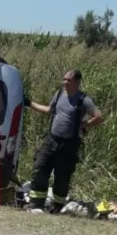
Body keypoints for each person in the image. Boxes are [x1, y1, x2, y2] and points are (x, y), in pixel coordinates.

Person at [23, 69, 103, 214]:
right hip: (51, 140)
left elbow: (98, 116)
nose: (65, 82)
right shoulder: (59, 94)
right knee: (40, 168)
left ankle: (56, 206)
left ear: (77, 82)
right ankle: (36, 204)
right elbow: (48, 110)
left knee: (62, 177)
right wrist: (28, 103)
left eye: (69, 80)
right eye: (64, 79)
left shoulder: (83, 100)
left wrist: (84, 125)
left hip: (68, 145)